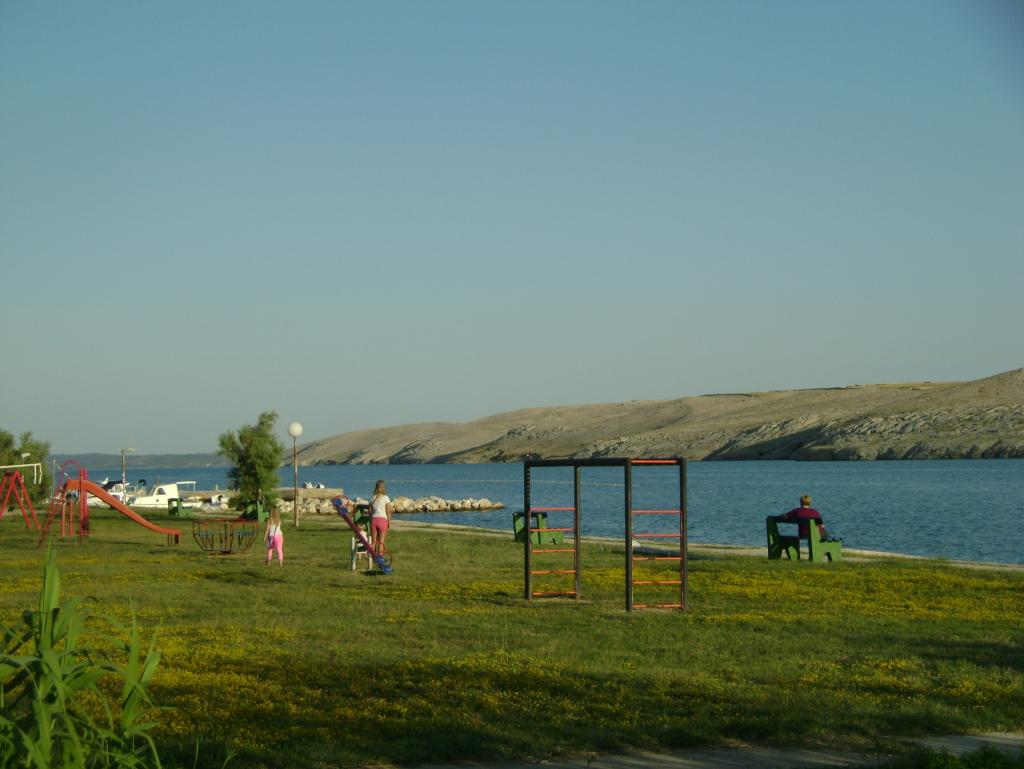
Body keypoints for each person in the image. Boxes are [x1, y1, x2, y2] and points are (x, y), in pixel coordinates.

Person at [369, 479, 394, 556]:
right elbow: (388, 512)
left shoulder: (372, 498)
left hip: (374, 521)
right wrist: (389, 522)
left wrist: (371, 522)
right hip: (382, 521)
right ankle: (380, 558)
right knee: (381, 542)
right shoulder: (386, 498)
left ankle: (370, 556)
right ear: (384, 488)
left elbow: (370, 512)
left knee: (373, 542)